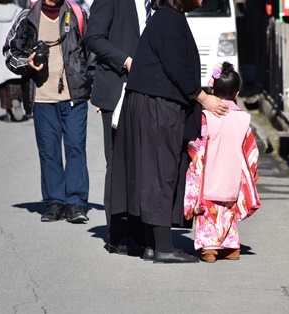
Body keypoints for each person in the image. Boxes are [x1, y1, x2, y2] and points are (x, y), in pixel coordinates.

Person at [110, 0, 229, 263]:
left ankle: (154, 244)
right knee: (161, 171)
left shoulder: (166, 18)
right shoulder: (168, 20)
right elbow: (177, 67)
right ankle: (163, 247)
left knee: (155, 171)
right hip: (157, 107)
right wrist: (203, 98)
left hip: (152, 103)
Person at [3, 0, 93, 223]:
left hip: (74, 96)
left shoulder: (78, 14)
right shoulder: (28, 17)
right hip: (42, 98)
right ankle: (54, 202)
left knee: (75, 148)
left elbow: (92, 51)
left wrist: (93, 84)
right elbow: (9, 52)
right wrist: (27, 63)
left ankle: (75, 202)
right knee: (49, 151)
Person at [85, 0, 152, 255]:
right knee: (116, 163)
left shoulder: (151, 4)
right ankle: (118, 234)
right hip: (117, 88)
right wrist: (126, 60)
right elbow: (94, 37)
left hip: (145, 89)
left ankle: (139, 230)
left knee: (140, 162)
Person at [184, 61, 261, 263]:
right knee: (227, 212)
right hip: (232, 176)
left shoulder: (207, 116)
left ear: (212, 91)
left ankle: (209, 249)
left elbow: (196, 145)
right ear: (237, 93)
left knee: (209, 214)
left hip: (210, 174)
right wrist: (250, 172)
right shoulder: (243, 118)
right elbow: (251, 151)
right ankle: (230, 247)